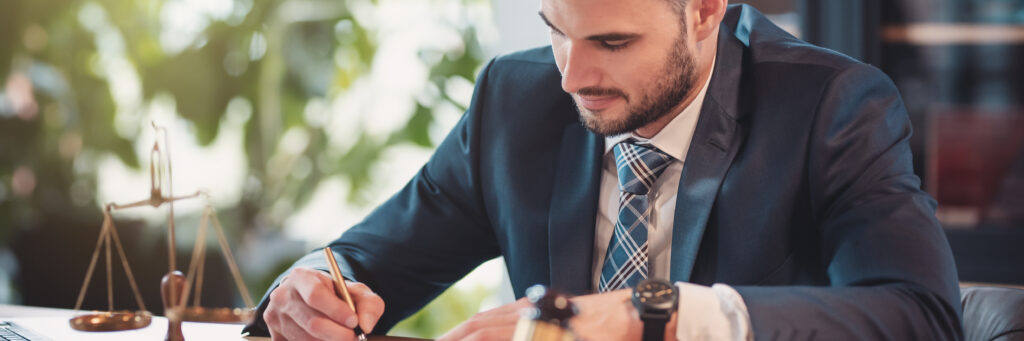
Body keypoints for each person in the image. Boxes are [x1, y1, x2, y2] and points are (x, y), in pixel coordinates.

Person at [244, 0, 962, 340]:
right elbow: (368, 260)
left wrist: (651, 314)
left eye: (613, 42)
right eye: (556, 32)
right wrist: (308, 286)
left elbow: (921, 315)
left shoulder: (828, 108)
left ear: (706, 11)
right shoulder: (515, 101)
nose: (572, 77)